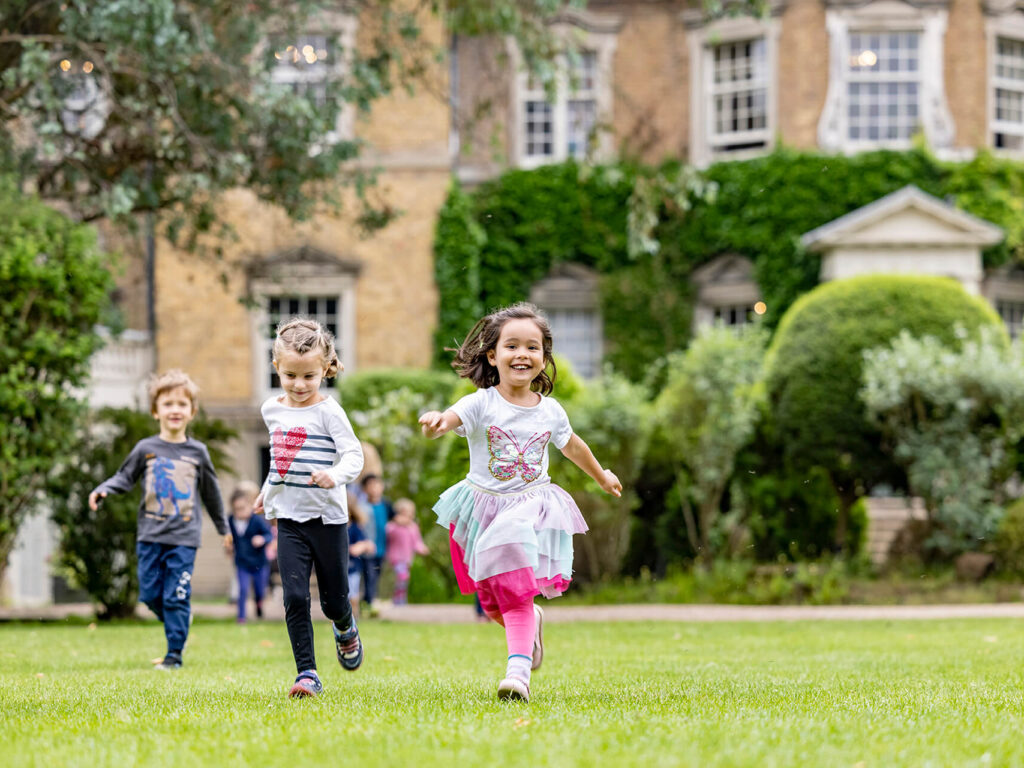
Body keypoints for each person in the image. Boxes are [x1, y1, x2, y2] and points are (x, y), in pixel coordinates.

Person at [419, 302, 622, 703]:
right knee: (493, 602)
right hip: (481, 509)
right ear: (493, 355)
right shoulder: (481, 402)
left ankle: (517, 673)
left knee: (515, 592)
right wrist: (436, 422)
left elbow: (572, 446)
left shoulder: (550, 410)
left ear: (544, 358)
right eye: (512, 346)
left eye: (533, 347)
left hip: (529, 508)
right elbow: (451, 418)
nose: (522, 354)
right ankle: (532, 624)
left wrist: (601, 475)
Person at [89, 369, 230, 671]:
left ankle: (174, 655)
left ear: (192, 411)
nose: (175, 410)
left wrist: (223, 528)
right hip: (150, 536)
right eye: (168, 404)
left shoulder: (198, 452)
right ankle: (179, 618)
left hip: (183, 539)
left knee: (176, 596)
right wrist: (104, 490)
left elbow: (211, 492)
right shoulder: (146, 449)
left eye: (182, 404)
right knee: (152, 595)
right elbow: (124, 478)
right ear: (156, 411)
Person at [254, 318, 365, 698]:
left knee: (334, 601)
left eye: (309, 376)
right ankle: (307, 673)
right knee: (294, 596)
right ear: (276, 369)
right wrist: (267, 492)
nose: (299, 386)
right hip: (289, 520)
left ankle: (345, 625)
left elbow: (354, 455)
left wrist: (335, 475)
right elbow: (280, 460)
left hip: (328, 519)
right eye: (290, 376)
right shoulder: (272, 410)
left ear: (325, 370)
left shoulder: (329, 412)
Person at [225, 481, 273, 623]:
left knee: (259, 591)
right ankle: (241, 617)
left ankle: (259, 606)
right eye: (236, 509)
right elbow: (229, 538)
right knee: (243, 589)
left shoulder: (256, 521)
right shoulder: (231, 521)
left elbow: (269, 535)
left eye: (242, 508)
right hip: (242, 562)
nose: (240, 513)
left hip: (259, 562)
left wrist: (262, 539)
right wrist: (228, 546)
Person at [384, 498, 429, 606]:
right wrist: (398, 523)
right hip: (395, 558)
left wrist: (422, 548)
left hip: (407, 558)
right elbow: (388, 535)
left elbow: (417, 542)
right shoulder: (392, 526)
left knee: (403, 580)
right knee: (402, 577)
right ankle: (398, 600)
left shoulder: (413, 527)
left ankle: (400, 599)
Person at [359, 473, 392, 613]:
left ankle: (368, 600)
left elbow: (395, 519)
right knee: (369, 575)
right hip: (367, 549)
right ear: (364, 489)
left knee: (376, 575)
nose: (374, 488)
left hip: (382, 547)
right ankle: (369, 602)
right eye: (370, 485)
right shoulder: (361, 506)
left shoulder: (386, 504)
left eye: (376, 485)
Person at [346, 491, 376, 618]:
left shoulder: (354, 528)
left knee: (353, 595)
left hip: (352, 568)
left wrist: (361, 546)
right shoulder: (331, 529)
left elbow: (368, 544)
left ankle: (354, 617)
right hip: (335, 569)